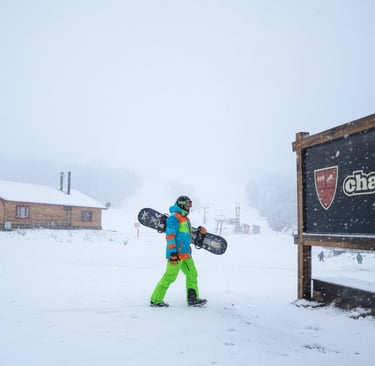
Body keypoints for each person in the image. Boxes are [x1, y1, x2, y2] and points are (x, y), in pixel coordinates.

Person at [150, 195, 207, 307]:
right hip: (176, 254)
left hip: (186, 254)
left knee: (192, 274)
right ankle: (155, 300)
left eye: (190, 204)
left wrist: (200, 232)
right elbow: (170, 236)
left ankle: (193, 299)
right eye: (187, 204)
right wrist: (173, 253)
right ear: (181, 204)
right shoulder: (174, 218)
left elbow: (188, 233)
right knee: (169, 277)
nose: (189, 207)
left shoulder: (185, 219)